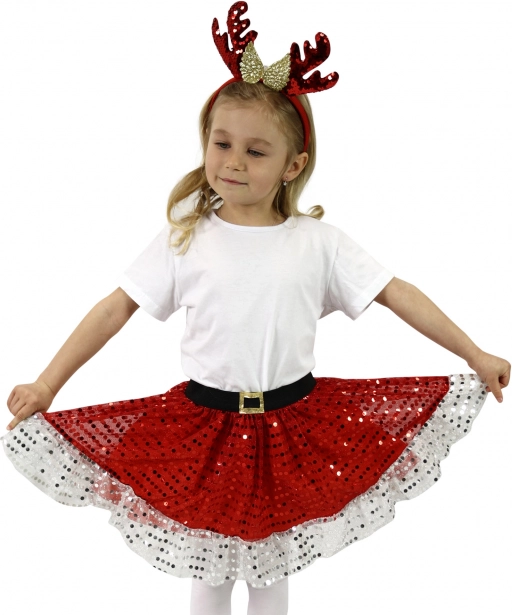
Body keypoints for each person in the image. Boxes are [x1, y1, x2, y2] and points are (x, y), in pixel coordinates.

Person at [2, 3, 510, 615]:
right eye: (222, 143)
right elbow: (115, 309)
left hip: (292, 426)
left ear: (293, 166)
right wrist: (48, 383)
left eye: (256, 151)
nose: (234, 161)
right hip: (204, 428)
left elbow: (396, 292)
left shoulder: (318, 243)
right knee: (209, 571)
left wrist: (474, 353)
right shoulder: (185, 236)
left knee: (271, 572)